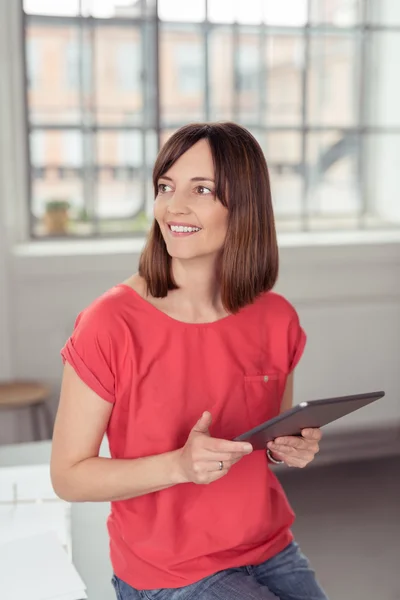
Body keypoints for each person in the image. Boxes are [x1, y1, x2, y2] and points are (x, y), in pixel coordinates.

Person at [51, 122, 328, 600]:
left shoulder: (275, 317)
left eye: (201, 189)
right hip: (170, 570)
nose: (173, 206)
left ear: (243, 208)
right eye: (165, 186)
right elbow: (68, 476)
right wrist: (178, 466)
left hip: (269, 547)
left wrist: (289, 446)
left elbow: (264, 437)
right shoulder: (109, 323)